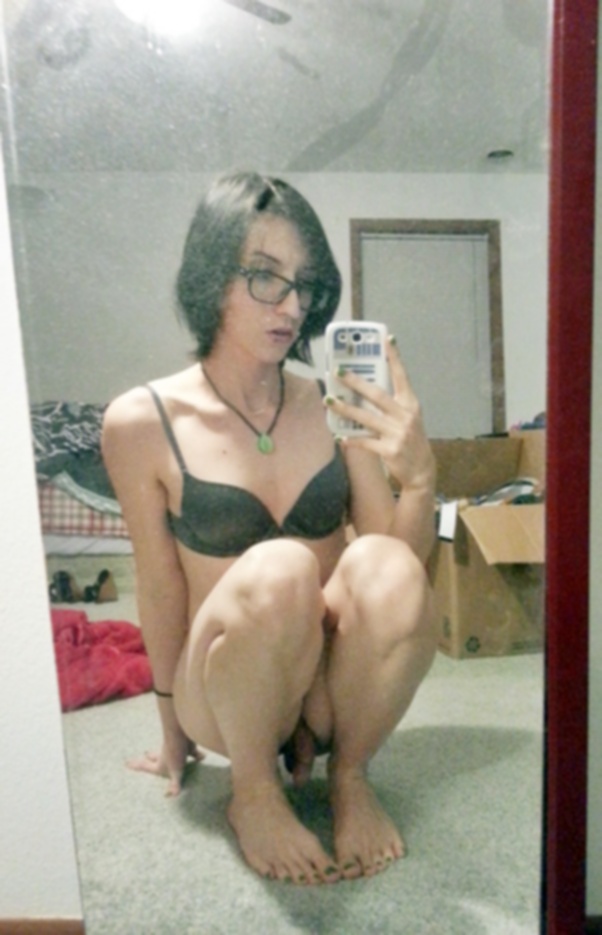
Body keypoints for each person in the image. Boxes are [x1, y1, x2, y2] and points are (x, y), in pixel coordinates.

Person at [102, 171, 438, 886]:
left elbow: (400, 578)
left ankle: (350, 774)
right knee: (280, 566)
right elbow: (160, 586)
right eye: (264, 276)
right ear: (211, 276)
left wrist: (420, 480)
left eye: (306, 284)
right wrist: (170, 728)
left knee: (383, 564)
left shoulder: (334, 402)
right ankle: (252, 791)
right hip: (226, 694)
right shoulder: (141, 420)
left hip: (327, 689)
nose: (292, 306)